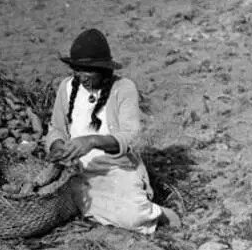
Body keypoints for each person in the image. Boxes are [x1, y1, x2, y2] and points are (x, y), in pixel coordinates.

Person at [44, 28, 180, 234]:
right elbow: (56, 128)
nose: (82, 76)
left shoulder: (123, 89)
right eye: (77, 69)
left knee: (134, 217)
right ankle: (94, 206)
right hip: (77, 171)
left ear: (104, 69)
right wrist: (58, 146)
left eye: (88, 70)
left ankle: (157, 214)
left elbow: (130, 137)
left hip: (116, 169)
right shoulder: (66, 87)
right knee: (52, 205)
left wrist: (92, 141)